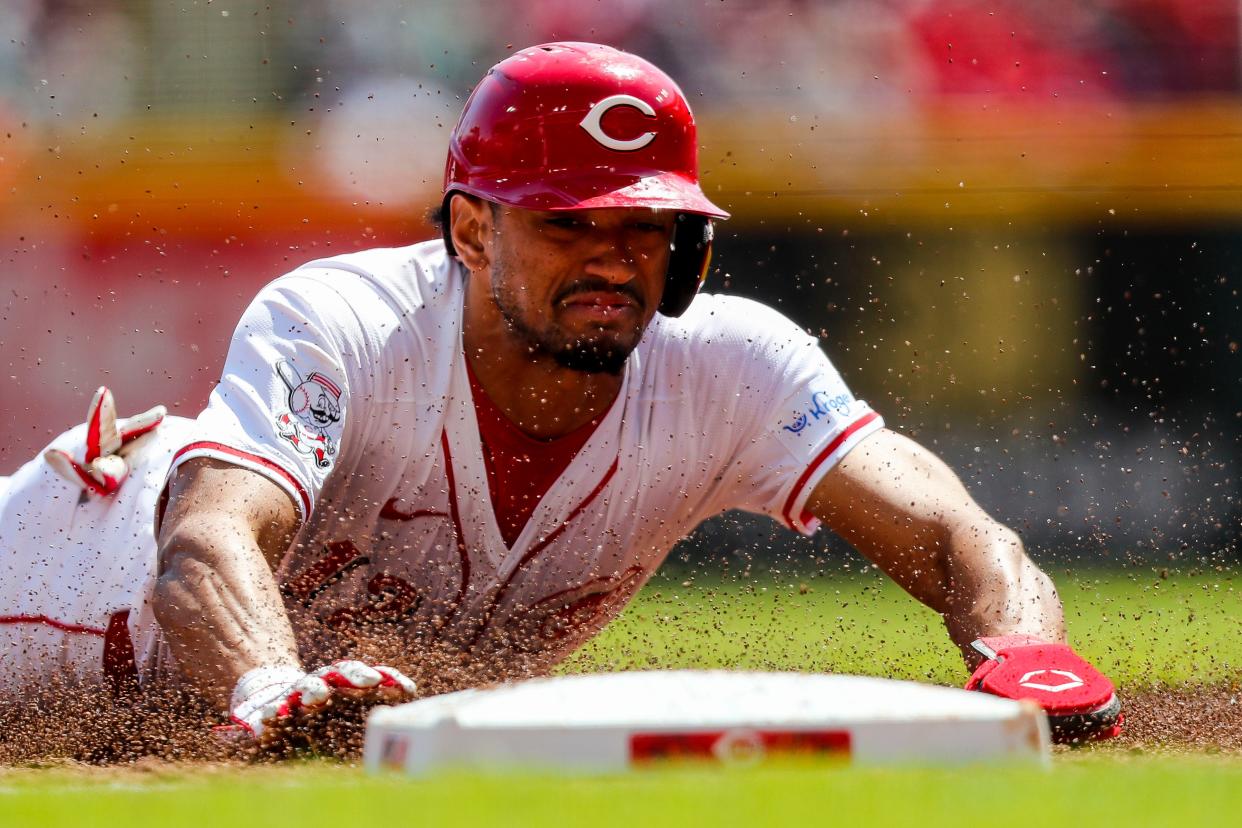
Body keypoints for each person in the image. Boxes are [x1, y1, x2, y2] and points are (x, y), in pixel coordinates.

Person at [0, 42, 1119, 745]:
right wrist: (267, 687)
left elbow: (956, 534)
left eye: (646, 227)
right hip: (52, 587)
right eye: (567, 221)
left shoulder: (733, 365)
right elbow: (203, 541)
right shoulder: (345, 319)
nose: (612, 256)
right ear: (474, 227)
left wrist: (1024, 653)